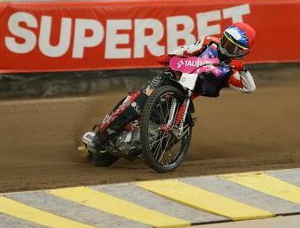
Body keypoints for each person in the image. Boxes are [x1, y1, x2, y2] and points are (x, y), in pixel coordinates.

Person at [85, 23, 257, 166]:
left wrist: (243, 68)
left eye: (234, 48)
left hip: (186, 97)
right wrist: (170, 55)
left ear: (242, 53)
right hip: (169, 79)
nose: (227, 48)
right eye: (227, 42)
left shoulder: (232, 71)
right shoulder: (209, 42)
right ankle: (100, 137)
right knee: (135, 103)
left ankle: (152, 151)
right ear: (223, 38)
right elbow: (187, 49)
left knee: (182, 127)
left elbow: (249, 88)